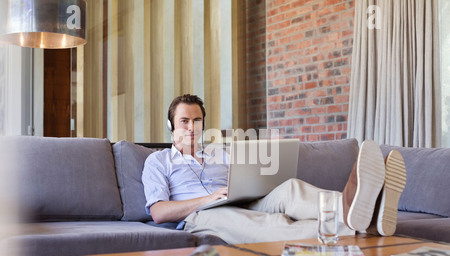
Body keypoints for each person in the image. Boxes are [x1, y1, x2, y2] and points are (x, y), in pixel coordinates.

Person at [142, 94, 407, 244]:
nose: (191, 127)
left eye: (197, 120)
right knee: (274, 224)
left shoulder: (221, 152)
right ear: (171, 126)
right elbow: (158, 213)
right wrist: (207, 199)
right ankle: (366, 224)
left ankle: (357, 207)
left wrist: (261, 180)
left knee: (291, 189)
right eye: (184, 121)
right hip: (201, 215)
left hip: (244, 201)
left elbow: (248, 179)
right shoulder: (158, 161)